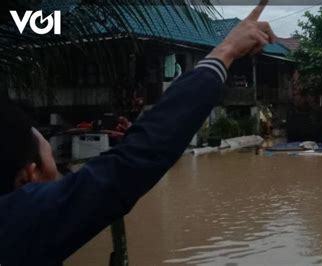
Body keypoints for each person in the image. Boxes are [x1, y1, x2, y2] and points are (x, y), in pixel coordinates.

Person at [0, 2, 276, 265]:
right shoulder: (18, 223)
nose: (54, 157)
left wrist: (127, 146)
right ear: (28, 176)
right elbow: (127, 168)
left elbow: (107, 172)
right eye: (47, 149)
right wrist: (226, 51)